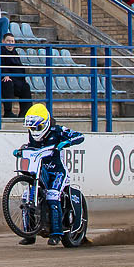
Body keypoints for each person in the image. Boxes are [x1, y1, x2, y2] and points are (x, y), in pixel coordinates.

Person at [16, 101, 86, 242]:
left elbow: (79, 136)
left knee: (52, 196)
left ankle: (56, 234)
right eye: (31, 128)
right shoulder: (32, 134)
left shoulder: (58, 130)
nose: (34, 130)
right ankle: (29, 234)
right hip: (40, 171)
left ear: (46, 123)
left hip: (57, 172)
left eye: (38, 127)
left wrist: (66, 142)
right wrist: (21, 150)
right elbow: (31, 146)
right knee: (27, 197)